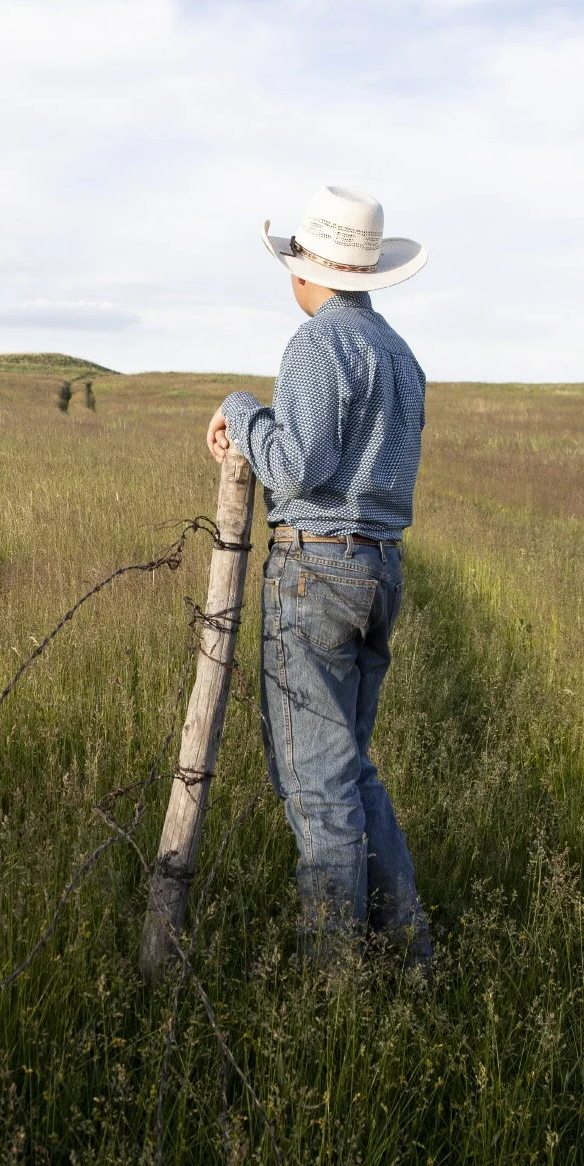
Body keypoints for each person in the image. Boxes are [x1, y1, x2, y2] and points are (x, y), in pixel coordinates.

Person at [205, 185, 433, 966]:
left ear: (312, 271)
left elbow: (296, 466)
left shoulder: (317, 347)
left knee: (317, 783)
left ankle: (334, 980)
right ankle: (406, 948)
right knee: (352, 767)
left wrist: (240, 409)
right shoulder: (402, 357)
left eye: (294, 262)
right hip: (379, 570)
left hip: (317, 571)